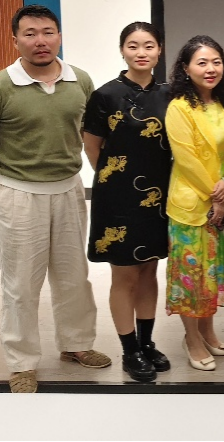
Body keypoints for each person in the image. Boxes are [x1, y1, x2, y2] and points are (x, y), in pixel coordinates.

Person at [0, 4, 111, 394]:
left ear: (59, 36)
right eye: (30, 33)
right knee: (21, 285)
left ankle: (76, 344)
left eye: (48, 32)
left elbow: (89, 132)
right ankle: (22, 363)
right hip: (20, 196)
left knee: (73, 276)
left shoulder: (80, 80)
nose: (40, 41)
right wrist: (5, 170)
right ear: (15, 40)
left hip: (69, 190)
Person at [82, 22, 173, 383]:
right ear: (122, 51)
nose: (141, 52)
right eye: (133, 46)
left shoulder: (170, 95)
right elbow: (93, 147)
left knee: (149, 269)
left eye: (148, 45)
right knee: (125, 274)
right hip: (117, 196)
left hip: (159, 194)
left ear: (159, 50)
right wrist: (114, 182)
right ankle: (129, 349)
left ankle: (147, 343)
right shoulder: (105, 95)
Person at [164, 35, 224, 371]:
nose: (210, 68)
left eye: (216, 62)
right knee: (193, 274)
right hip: (192, 204)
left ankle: (208, 331)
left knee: (213, 272)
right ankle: (192, 338)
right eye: (201, 63)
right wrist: (215, 195)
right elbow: (186, 159)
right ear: (186, 69)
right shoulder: (178, 107)